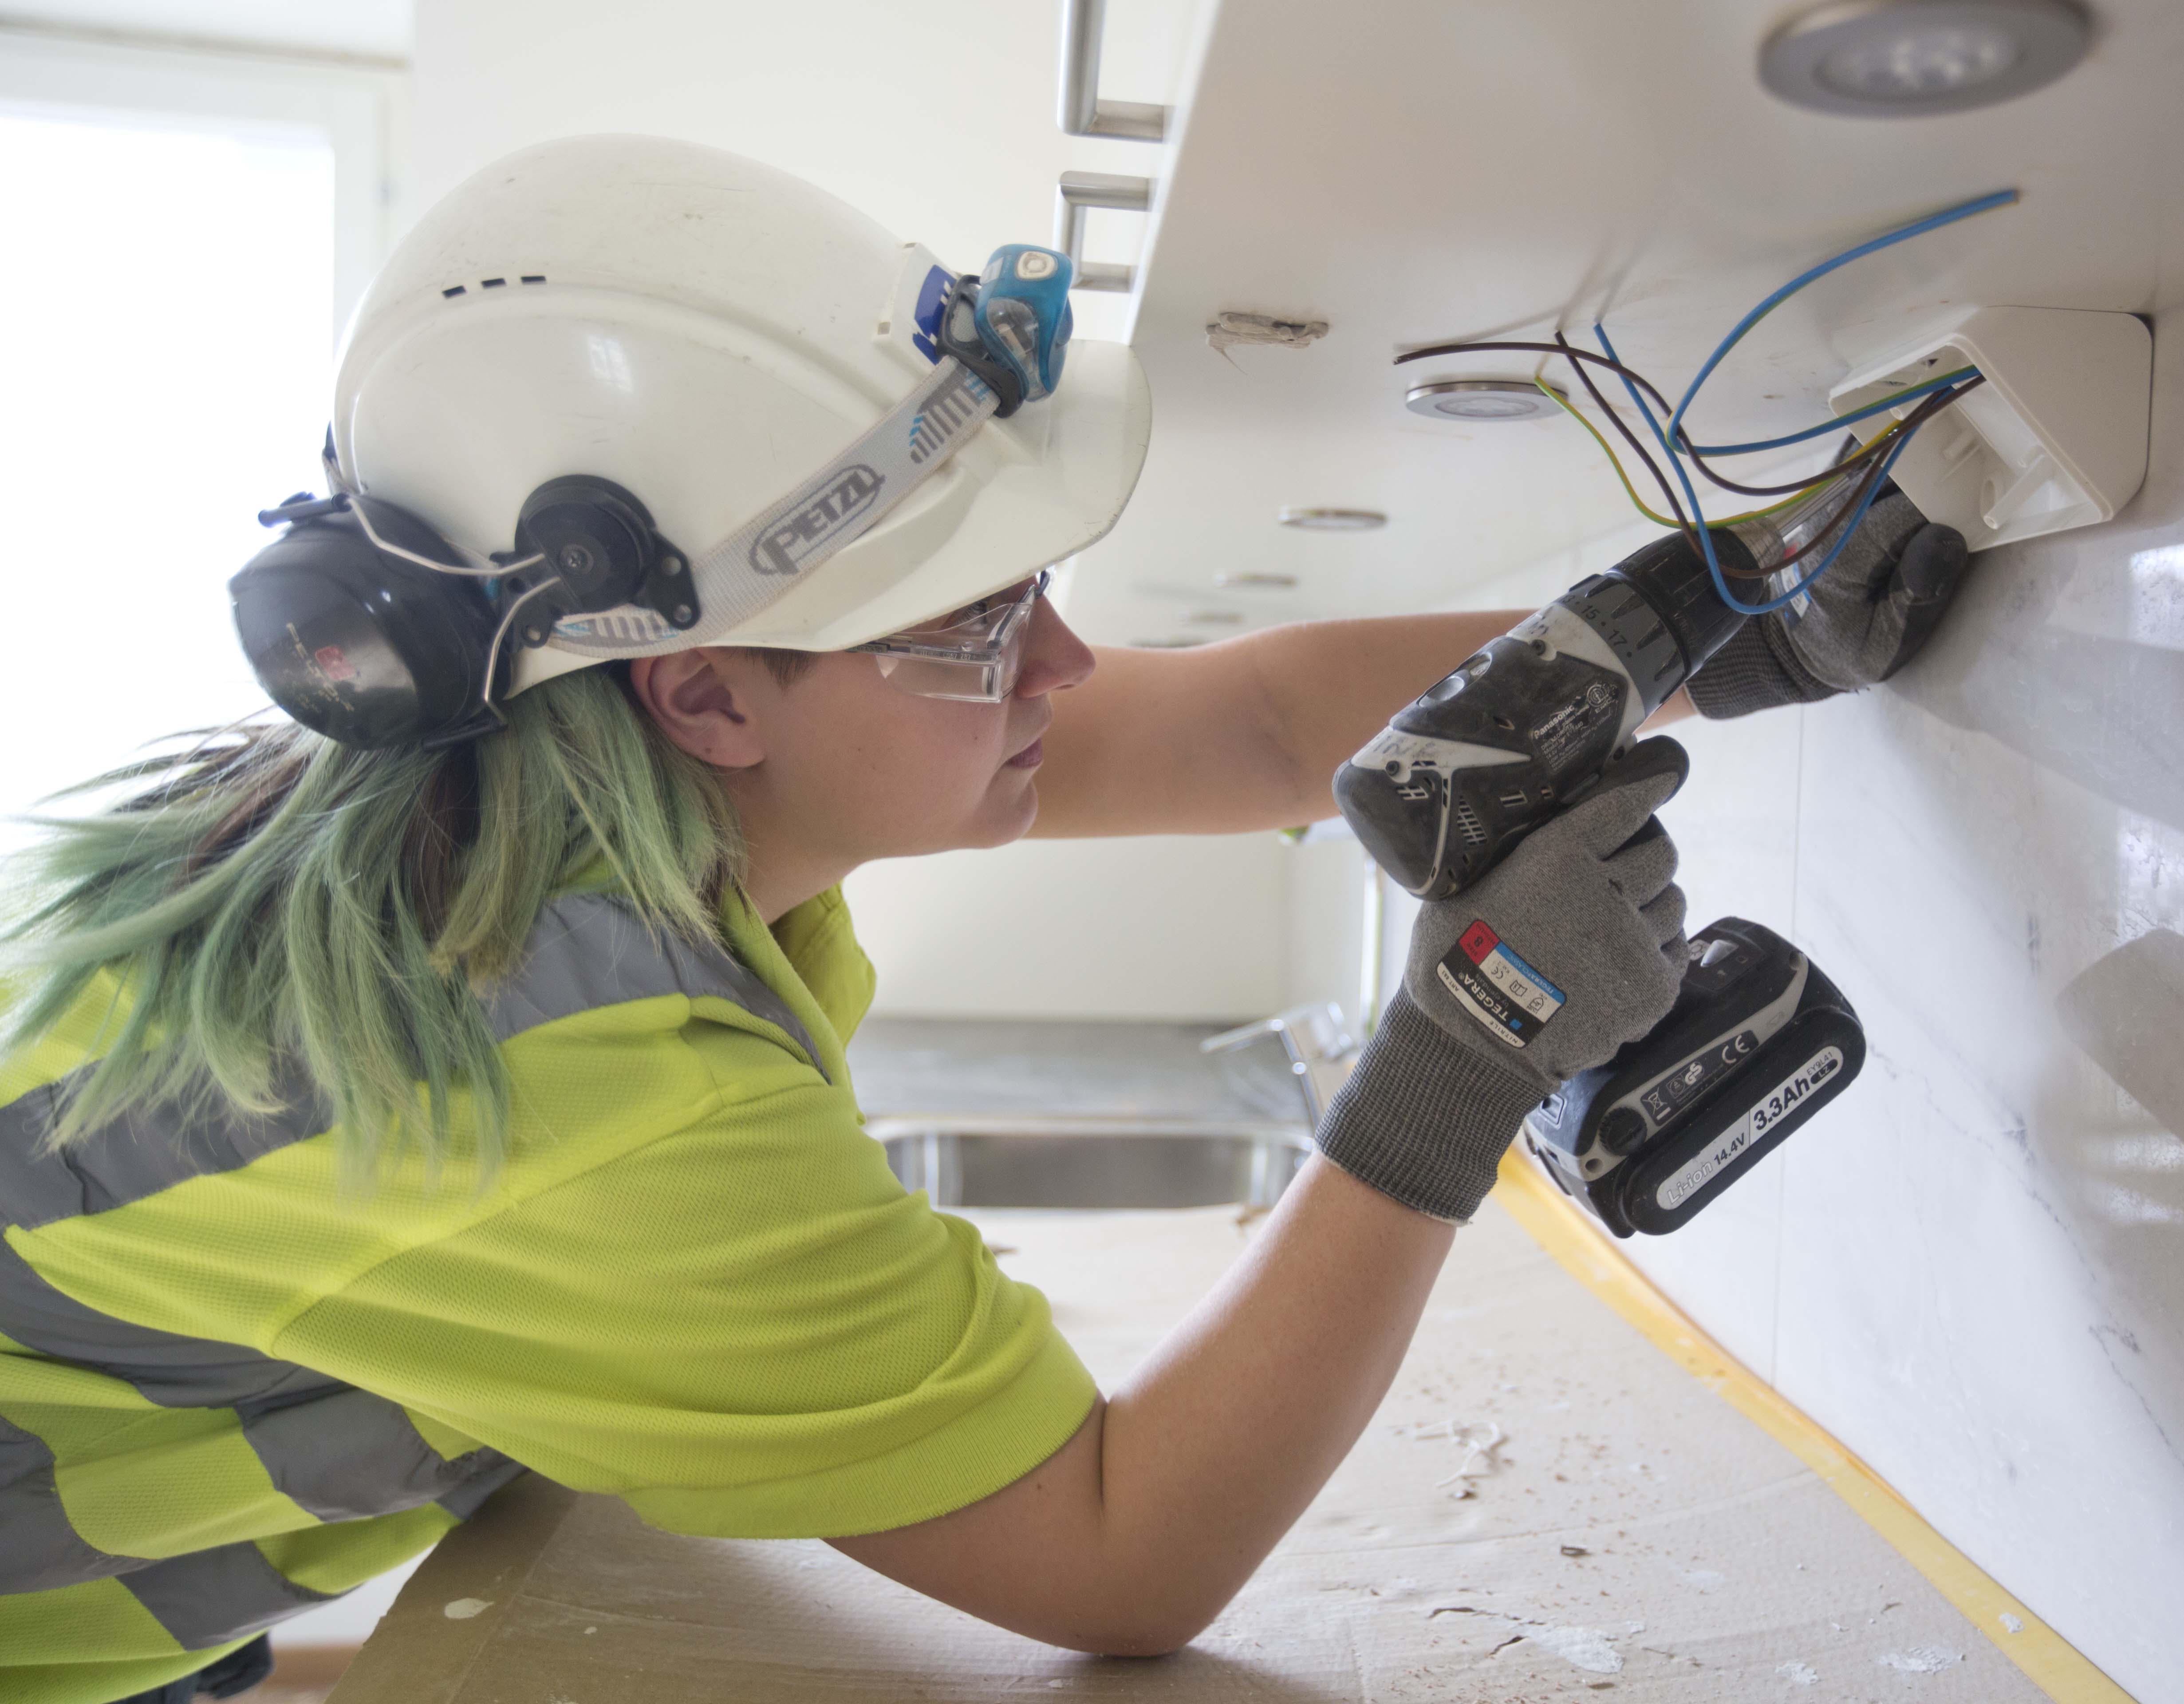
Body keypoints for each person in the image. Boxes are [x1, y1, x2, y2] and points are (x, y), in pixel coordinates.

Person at [0, 138, 1968, 1704]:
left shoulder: (476, 791)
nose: (1068, 655)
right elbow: (1121, 1557)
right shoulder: (564, 1092)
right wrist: (1469, 1049)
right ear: (704, 694)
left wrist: (1712, 623)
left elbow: (1265, 720)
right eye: (974, 622)